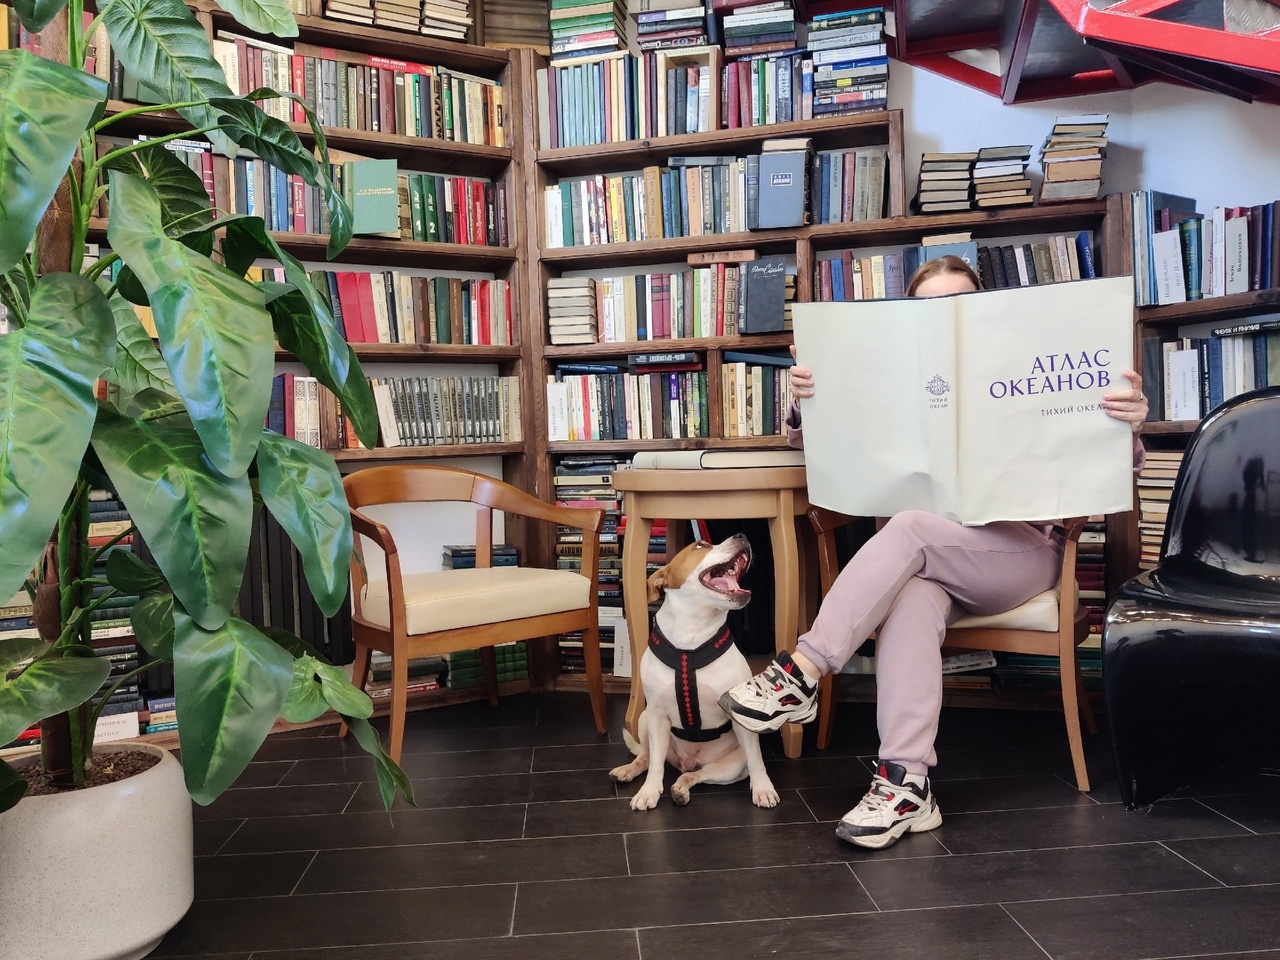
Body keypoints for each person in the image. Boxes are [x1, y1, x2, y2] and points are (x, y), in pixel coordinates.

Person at [719, 255, 1149, 850]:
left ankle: (803, 671)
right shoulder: (894, 376)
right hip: (927, 563)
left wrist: (1128, 426)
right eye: (930, 308)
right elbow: (822, 445)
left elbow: (1110, 467)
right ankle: (906, 785)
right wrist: (808, 402)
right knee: (914, 599)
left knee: (912, 530)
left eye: (958, 304)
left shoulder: (1024, 369)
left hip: (1019, 552)